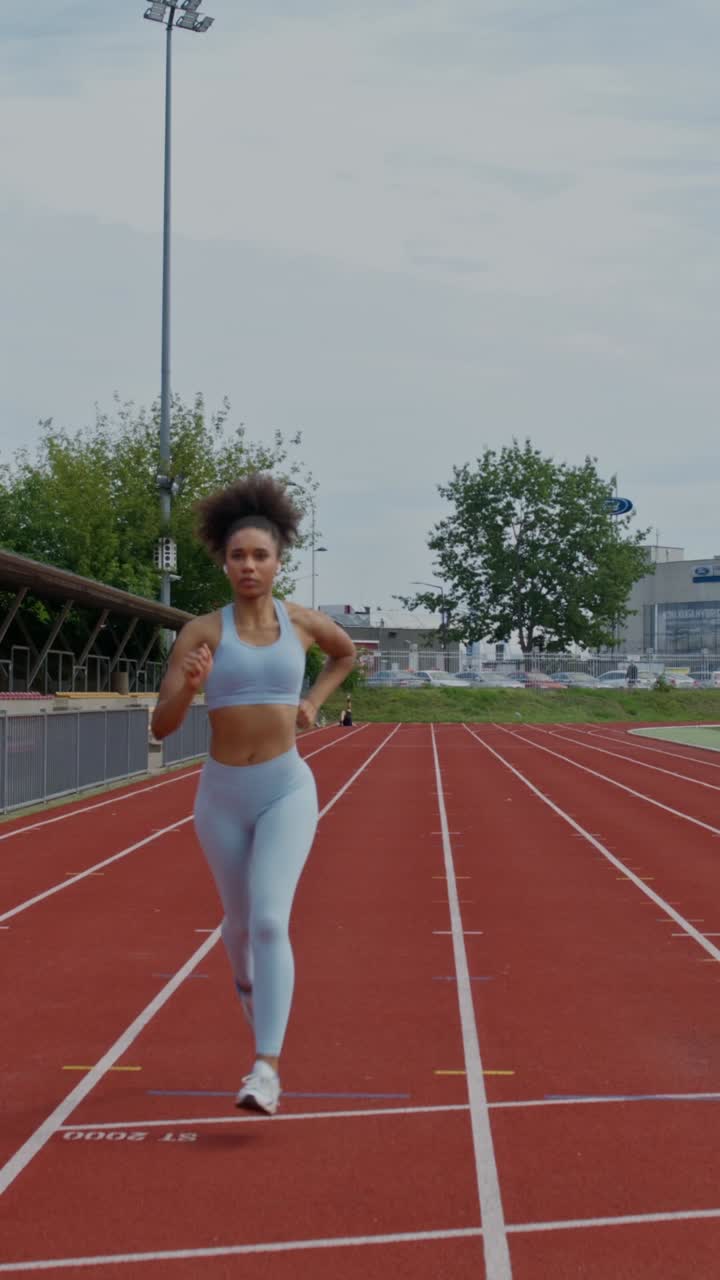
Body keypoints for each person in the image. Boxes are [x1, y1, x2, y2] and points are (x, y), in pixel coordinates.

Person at [151, 474, 356, 1115]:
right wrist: (189, 686)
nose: (248, 565)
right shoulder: (201, 632)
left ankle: (265, 1069)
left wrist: (313, 702)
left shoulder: (301, 624)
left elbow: (346, 655)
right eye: (238, 555)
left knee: (270, 919)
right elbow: (160, 726)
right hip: (221, 798)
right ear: (224, 559)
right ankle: (244, 980)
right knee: (239, 926)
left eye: (259, 555)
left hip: (285, 789)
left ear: (278, 560)